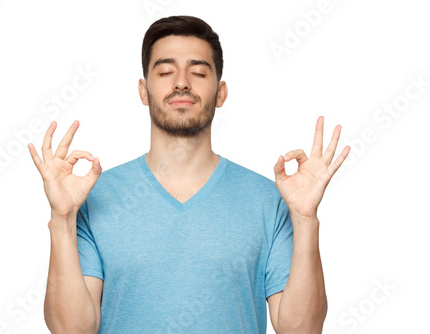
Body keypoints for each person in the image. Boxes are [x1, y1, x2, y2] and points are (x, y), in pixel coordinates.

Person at [28, 15, 350, 334]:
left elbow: (302, 330)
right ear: (143, 91)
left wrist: (306, 218)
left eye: (198, 72)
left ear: (221, 93)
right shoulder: (95, 197)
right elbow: (71, 330)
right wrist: (62, 217)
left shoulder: (270, 200)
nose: (181, 82)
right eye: (166, 71)